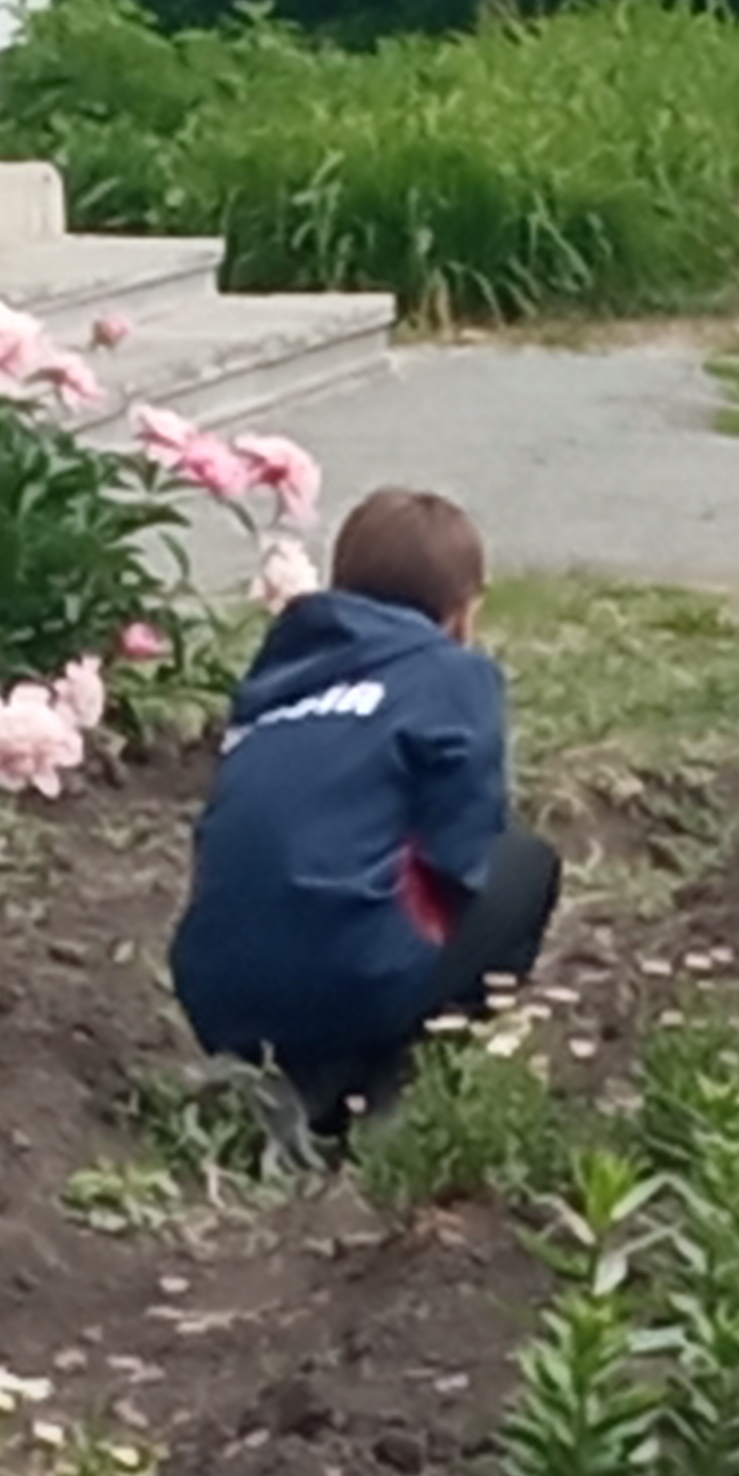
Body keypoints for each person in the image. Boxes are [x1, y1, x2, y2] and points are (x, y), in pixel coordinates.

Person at [170, 484, 562, 1163]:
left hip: (213, 987)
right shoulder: (453, 677)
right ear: (461, 612)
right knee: (524, 867)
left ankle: (274, 1070)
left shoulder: (280, 676)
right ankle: (371, 1092)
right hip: (351, 973)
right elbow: (464, 845)